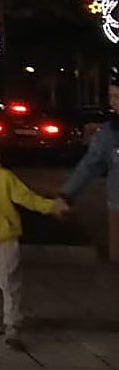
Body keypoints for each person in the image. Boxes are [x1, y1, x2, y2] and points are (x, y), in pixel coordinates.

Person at [0, 134, 67, 348]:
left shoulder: (5, 178)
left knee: (9, 283)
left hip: (6, 239)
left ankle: (12, 325)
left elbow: (27, 198)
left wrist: (52, 206)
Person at [58, 79, 119, 264]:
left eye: (118, 96)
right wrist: (66, 195)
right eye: (111, 97)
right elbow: (89, 166)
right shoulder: (108, 134)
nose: (113, 102)